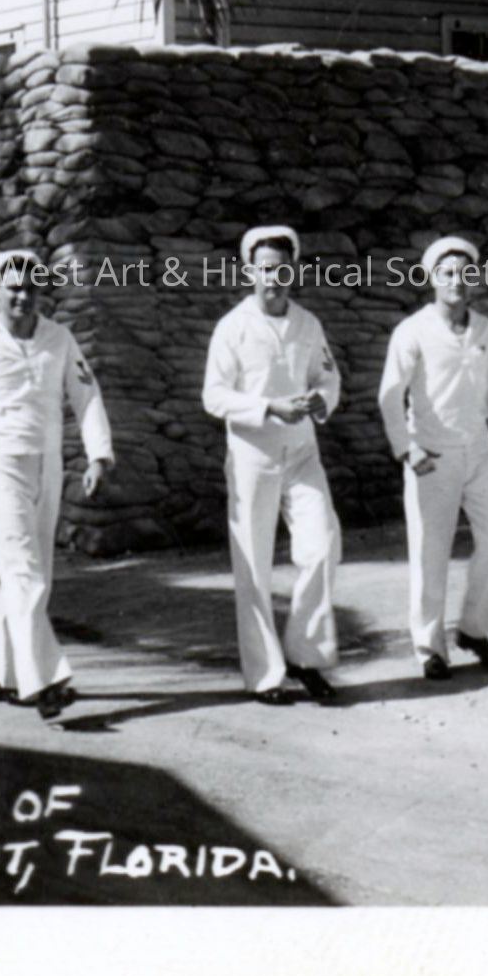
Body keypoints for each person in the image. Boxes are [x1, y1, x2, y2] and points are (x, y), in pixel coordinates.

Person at [0, 250, 114, 722]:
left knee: (35, 572)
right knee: (22, 571)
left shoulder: (59, 338)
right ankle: (44, 681)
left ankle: (5, 674)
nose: (22, 296)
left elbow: (86, 394)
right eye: (13, 288)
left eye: (30, 288)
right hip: (0, 462)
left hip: (46, 462)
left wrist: (98, 454)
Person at [201, 225, 344, 706]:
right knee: (254, 567)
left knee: (322, 545)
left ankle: (306, 656)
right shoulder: (233, 327)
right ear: (249, 272)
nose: (273, 279)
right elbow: (213, 395)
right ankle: (264, 676)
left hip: (302, 453)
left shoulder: (308, 324)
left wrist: (322, 400)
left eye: (282, 270)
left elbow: (327, 377)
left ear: (293, 271)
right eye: (264, 270)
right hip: (252, 457)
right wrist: (267, 408)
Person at [378, 236, 488, 680]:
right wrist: (407, 448)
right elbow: (390, 396)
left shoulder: (485, 330)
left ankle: (475, 630)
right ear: (431, 278)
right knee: (430, 551)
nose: (457, 282)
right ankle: (430, 648)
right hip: (431, 456)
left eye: (465, 274)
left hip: (479, 452)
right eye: (447, 274)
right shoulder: (412, 331)